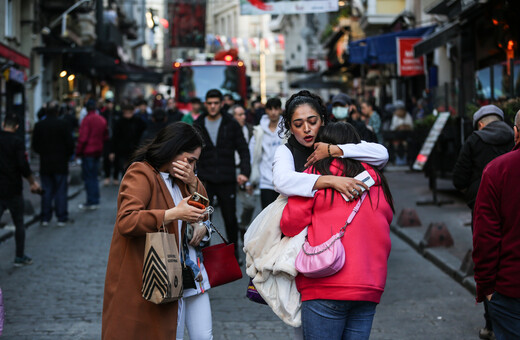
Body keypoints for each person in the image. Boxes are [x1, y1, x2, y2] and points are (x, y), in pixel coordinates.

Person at [280, 122, 394, 339]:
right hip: (368, 286)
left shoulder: (315, 177)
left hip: (324, 283)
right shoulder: (377, 181)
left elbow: (290, 224)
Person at [102, 122, 208, 340]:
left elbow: (204, 210)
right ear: (172, 149)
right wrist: (172, 214)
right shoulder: (141, 172)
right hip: (160, 272)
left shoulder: (183, 180)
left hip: (190, 273)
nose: (190, 167)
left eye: (194, 163)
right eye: (188, 160)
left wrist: (193, 183)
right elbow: (127, 220)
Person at [472, 110, 520, 340]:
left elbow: (485, 236)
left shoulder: (498, 170)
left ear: (516, 133)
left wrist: (486, 287)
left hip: (511, 287)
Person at [194, 89, 250, 263]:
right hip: (204, 180)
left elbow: (243, 149)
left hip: (226, 178)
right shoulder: (199, 123)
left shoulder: (230, 123)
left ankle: (233, 254)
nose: (212, 106)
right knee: (203, 218)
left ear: (221, 104)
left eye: (216, 103)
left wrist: (244, 172)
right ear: (205, 104)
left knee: (230, 218)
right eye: (209, 103)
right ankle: (204, 254)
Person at [0, 114, 42, 266]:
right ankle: (19, 256)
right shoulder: (17, 142)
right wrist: (32, 182)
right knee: (19, 223)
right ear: (17, 127)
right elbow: (23, 165)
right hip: (13, 188)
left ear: (4, 124)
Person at [32, 101, 75, 227]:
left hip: (45, 163)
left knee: (47, 190)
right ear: (57, 111)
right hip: (60, 162)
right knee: (60, 190)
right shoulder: (64, 124)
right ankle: (61, 217)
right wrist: (67, 155)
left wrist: (43, 153)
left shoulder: (39, 125)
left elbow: (35, 145)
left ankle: (45, 217)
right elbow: (70, 144)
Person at [249, 97, 284, 209]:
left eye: (276, 109)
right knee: (266, 215)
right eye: (270, 109)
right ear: (266, 110)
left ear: (280, 110)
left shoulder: (287, 129)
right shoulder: (259, 131)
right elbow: (252, 154)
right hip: (265, 180)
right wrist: (251, 179)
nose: (273, 112)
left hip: (283, 180)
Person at [76, 99, 108, 210]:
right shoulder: (102, 120)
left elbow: (83, 138)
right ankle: (95, 199)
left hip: (88, 152)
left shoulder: (86, 120)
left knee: (89, 177)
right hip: (97, 151)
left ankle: (91, 200)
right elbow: (105, 136)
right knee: (94, 176)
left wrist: (78, 152)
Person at [230, 104, 256, 236]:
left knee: (250, 204)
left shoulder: (251, 130)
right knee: (230, 206)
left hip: (244, 169)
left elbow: (252, 153)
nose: (243, 117)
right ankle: (234, 230)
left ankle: (242, 224)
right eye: (239, 115)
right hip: (229, 170)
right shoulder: (227, 130)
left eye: (243, 114)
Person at [111, 103, 147, 176]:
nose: (128, 115)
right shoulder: (119, 122)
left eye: (129, 112)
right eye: (126, 113)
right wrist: (112, 151)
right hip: (122, 149)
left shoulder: (138, 121)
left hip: (134, 148)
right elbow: (115, 137)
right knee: (124, 169)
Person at [100, 98, 120, 186]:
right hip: (106, 139)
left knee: (117, 159)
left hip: (116, 139)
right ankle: (107, 176)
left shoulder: (117, 114)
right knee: (106, 158)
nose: (110, 105)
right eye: (108, 103)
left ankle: (115, 177)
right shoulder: (103, 114)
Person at [389, 100, 413, 165]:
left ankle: (406, 159)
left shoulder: (407, 115)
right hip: (396, 135)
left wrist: (404, 126)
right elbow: (394, 127)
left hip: (406, 135)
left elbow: (410, 125)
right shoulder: (395, 116)